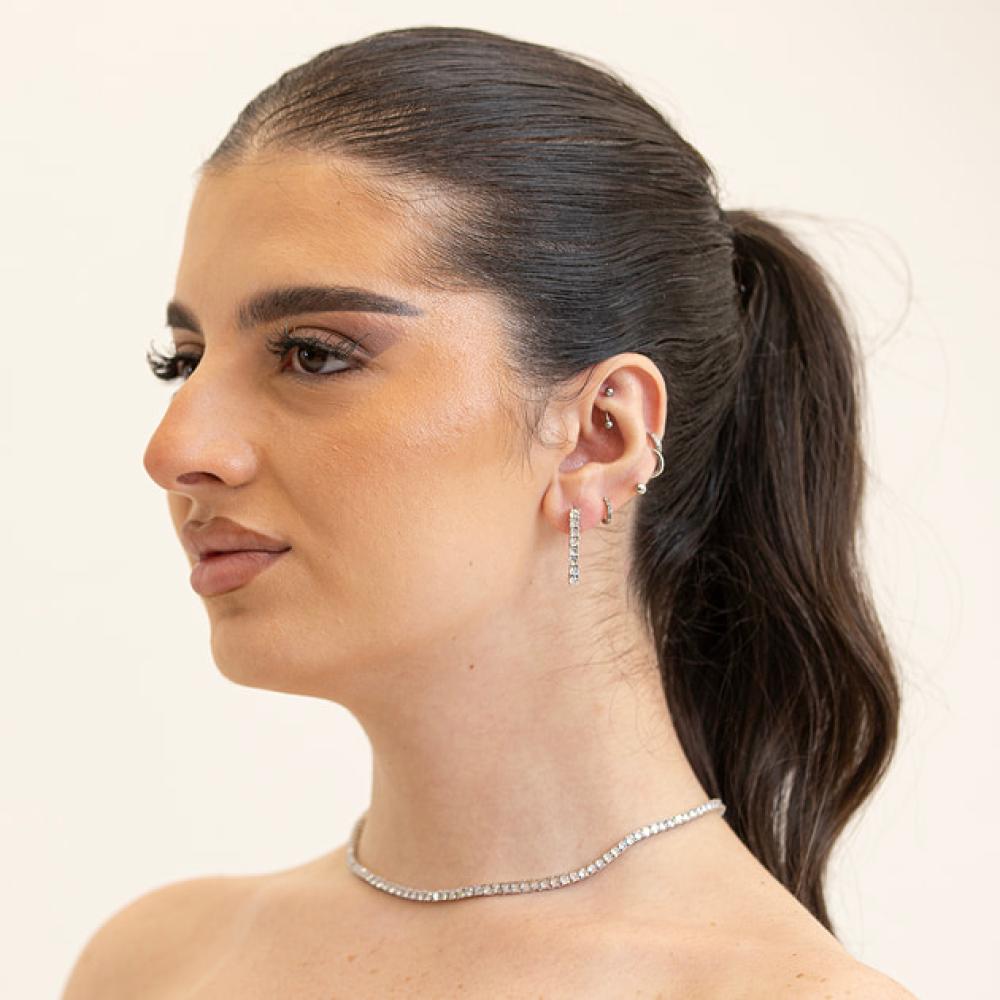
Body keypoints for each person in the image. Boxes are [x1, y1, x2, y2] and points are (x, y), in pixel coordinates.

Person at [62, 26, 920, 999]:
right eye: (183, 361)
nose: (175, 450)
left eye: (313, 354)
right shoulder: (154, 966)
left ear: (599, 435)